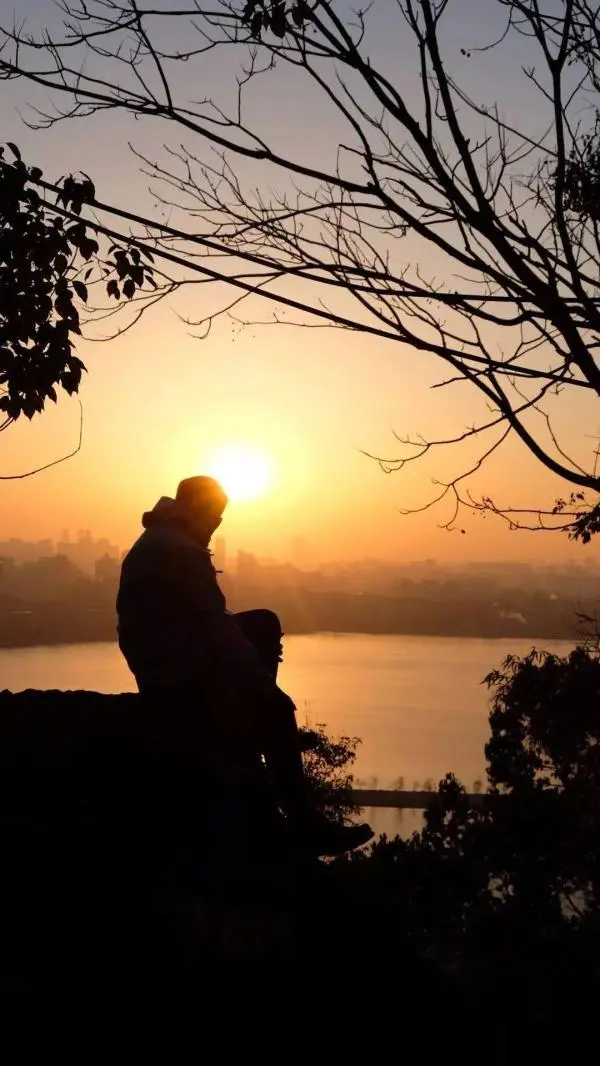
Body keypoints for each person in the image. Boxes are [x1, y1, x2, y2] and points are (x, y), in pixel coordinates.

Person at [116, 475, 373, 857]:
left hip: (162, 659)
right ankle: (302, 820)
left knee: (262, 623)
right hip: (174, 673)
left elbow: (206, 622)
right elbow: (217, 630)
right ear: (197, 510)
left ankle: (255, 720)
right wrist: (267, 693)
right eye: (215, 518)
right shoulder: (180, 550)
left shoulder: (160, 538)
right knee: (273, 695)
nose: (216, 526)